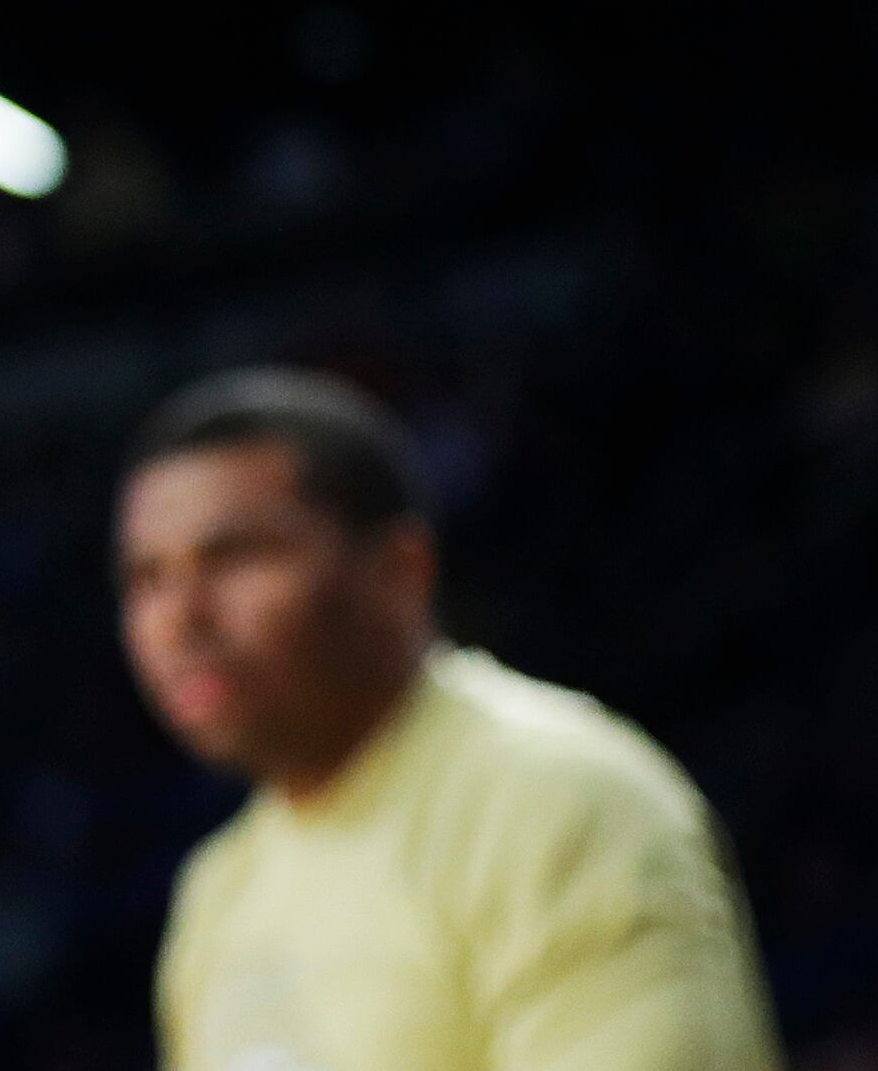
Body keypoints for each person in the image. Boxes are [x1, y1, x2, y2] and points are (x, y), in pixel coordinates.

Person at [116, 366, 779, 1071]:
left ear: (400, 569)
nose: (179, 619)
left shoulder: (556, 800)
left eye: (235, 559)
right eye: (147, 578)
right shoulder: (219, 889)